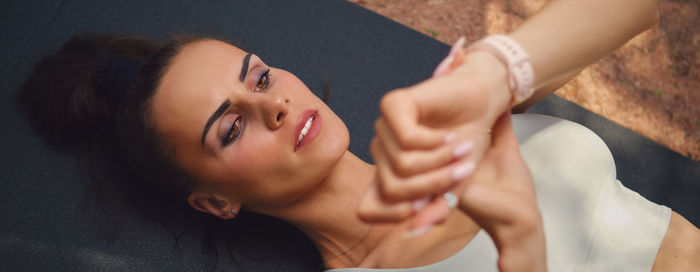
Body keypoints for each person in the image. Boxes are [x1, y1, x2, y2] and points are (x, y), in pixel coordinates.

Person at [17, 1, 698, 272]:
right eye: (230, 127)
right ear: (214, 200)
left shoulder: (451, 127)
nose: (275, 105)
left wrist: (498, 72)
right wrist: (520, 248)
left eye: (258, 79)